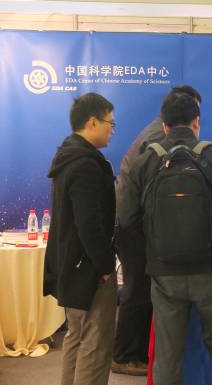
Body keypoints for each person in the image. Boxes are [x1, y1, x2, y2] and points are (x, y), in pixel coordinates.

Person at [119, 90, 212, 385]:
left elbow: (127, 219)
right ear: (196, 121)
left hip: (165, 273)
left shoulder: (144, 161)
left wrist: (157, 239)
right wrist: (211, 235)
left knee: (167, 353)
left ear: (164, 125)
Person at [112, 84, 202, 376]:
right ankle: (124, 355)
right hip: (133, 223)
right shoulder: (158, 138)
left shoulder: (160, 132)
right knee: (137, 288)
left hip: (135, 221)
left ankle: (138, 353)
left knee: (142, 288)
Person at [43, 93, 117, 385]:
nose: (112, 129)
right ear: (92, 122)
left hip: (72, 265)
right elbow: (89, 224)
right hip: (88, 269)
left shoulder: (68, 157)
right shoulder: (86, 164)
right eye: (110, 123)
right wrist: (105, 265)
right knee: (95, 345)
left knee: (76, 337)